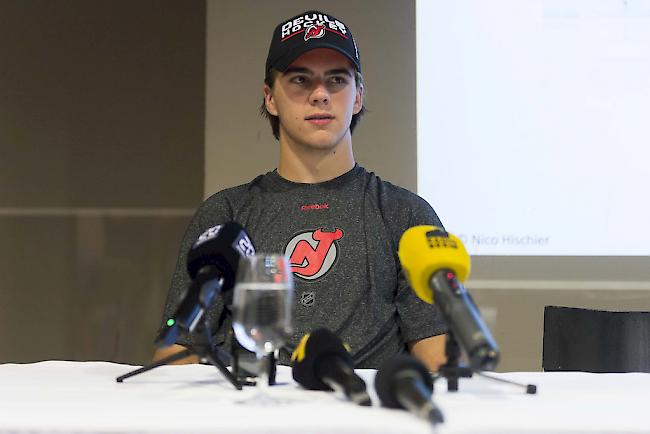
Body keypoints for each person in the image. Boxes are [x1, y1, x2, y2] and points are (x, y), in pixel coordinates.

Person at [154, 10, 447, 370]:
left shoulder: (406, 214)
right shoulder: (225, 214)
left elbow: (439, 362)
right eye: (300, 80)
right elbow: (176, 355)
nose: (320, 94)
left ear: (357, 97)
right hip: (252, 414)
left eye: (337, 80)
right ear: (270, 98)